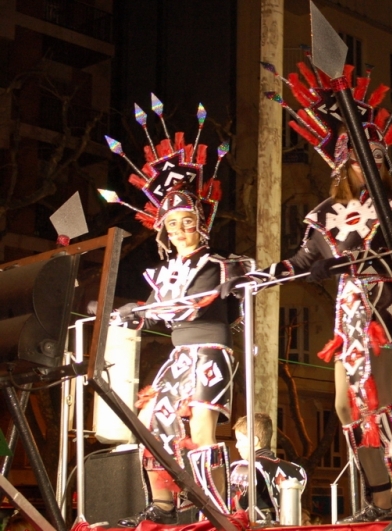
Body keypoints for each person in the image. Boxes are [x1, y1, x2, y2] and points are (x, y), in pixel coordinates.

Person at [221, 60, 392, 523]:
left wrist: (341, 260)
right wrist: (258, 276)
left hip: (382, 315)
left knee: (375, 405)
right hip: (347, 320)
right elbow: (301, 262)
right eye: (360, 158)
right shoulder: (326, 214)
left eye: (377, 158)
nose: (370, 164)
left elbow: (390, 248)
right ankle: (380, 496)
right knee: (344, 407)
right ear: (342, 162)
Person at [101, 101, 253, 526]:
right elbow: (154, 312)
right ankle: (165, 506)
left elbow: (198, 302)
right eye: (174, 225)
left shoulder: (220, 264)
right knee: (151, 423)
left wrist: (144, 311)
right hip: (179, 355)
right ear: (163, 231)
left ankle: (215, 510)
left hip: (210, 352)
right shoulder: (164, 273)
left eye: (188, 221)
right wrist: (121, 312)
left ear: (201, 221)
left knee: (202, 429)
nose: (182, 230)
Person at [230, 413, 307, 523]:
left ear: (255, 441)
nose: (236, 445)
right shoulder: (296, 470)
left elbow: (234, 507)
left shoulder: (245, 468)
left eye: (240, 440)